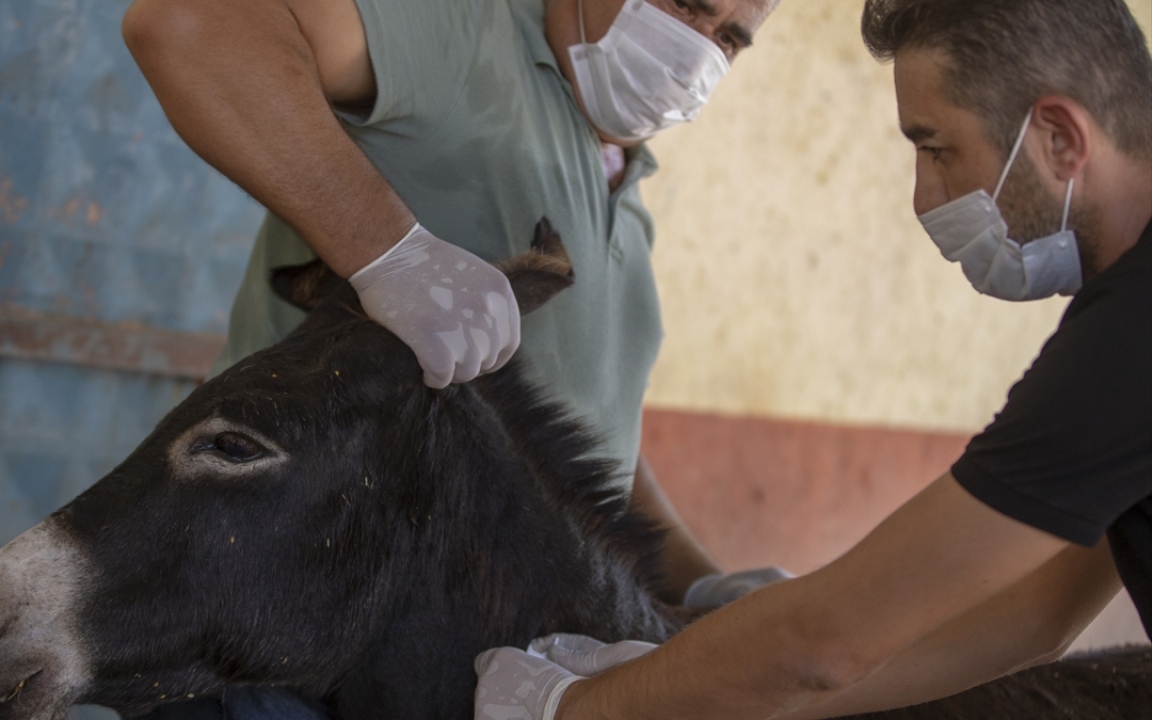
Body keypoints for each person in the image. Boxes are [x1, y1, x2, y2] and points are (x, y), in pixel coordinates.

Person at [474, 0, 1152, 718]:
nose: (925, 198)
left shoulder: (1128, 340)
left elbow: (826, 642)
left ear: (1060, 137)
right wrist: (693, 684)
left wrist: (578, 709)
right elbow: (1033, 615)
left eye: (936, 149)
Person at [120, 0, 779, 718]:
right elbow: (191, 27)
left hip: (446, 676)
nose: (696, 46)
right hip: (282, 637)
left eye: (730, 38)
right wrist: (389, 252)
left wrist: (702, 586)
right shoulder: (461, 35)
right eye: (685, 5)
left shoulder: (629, 198)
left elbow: (581, 437)